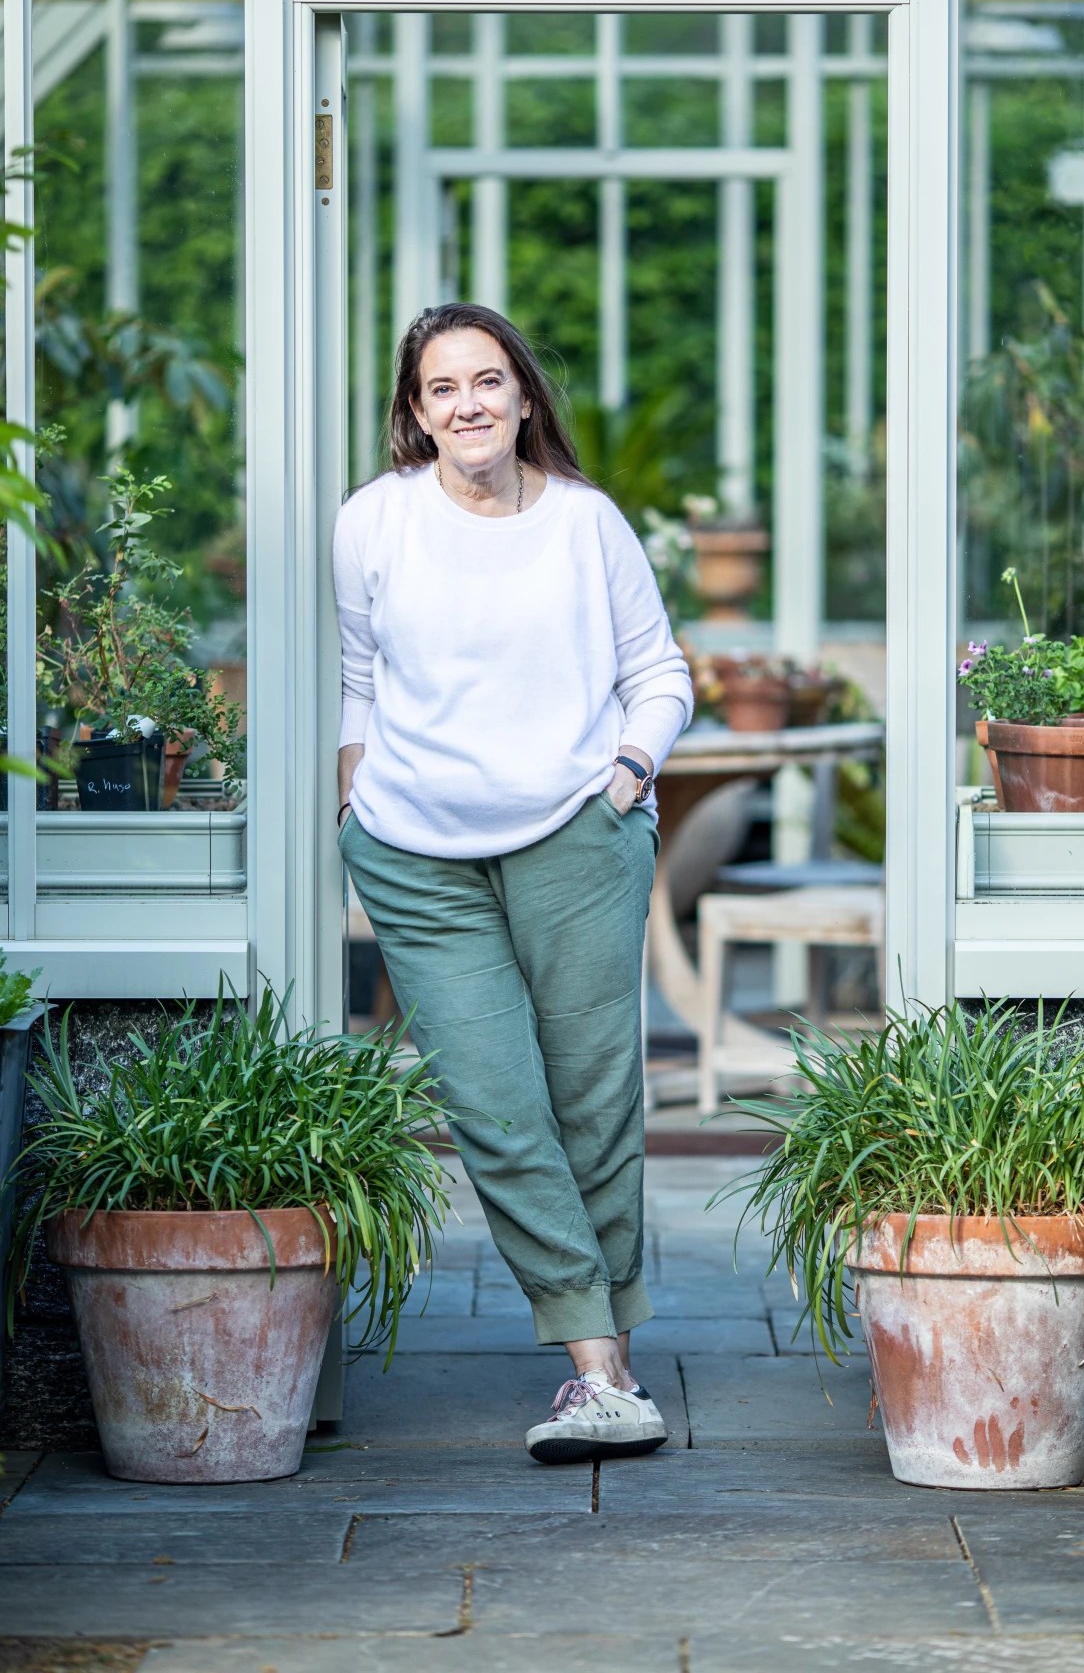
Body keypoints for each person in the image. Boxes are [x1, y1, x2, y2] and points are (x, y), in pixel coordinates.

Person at [333, 302, 694, 1464]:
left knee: (592, 1098)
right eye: (443, 389)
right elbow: (359, 678)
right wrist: (353, 797)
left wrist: (631, 771)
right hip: (413, 852)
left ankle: (605, 1368)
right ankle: (599, 1368)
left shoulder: (586, 525)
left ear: (524, 397)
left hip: (575, 837)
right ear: (416, 412)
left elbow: (658, 671)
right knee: (493, 1105)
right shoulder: (372, 522)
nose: (469, 404)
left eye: (488, 381)